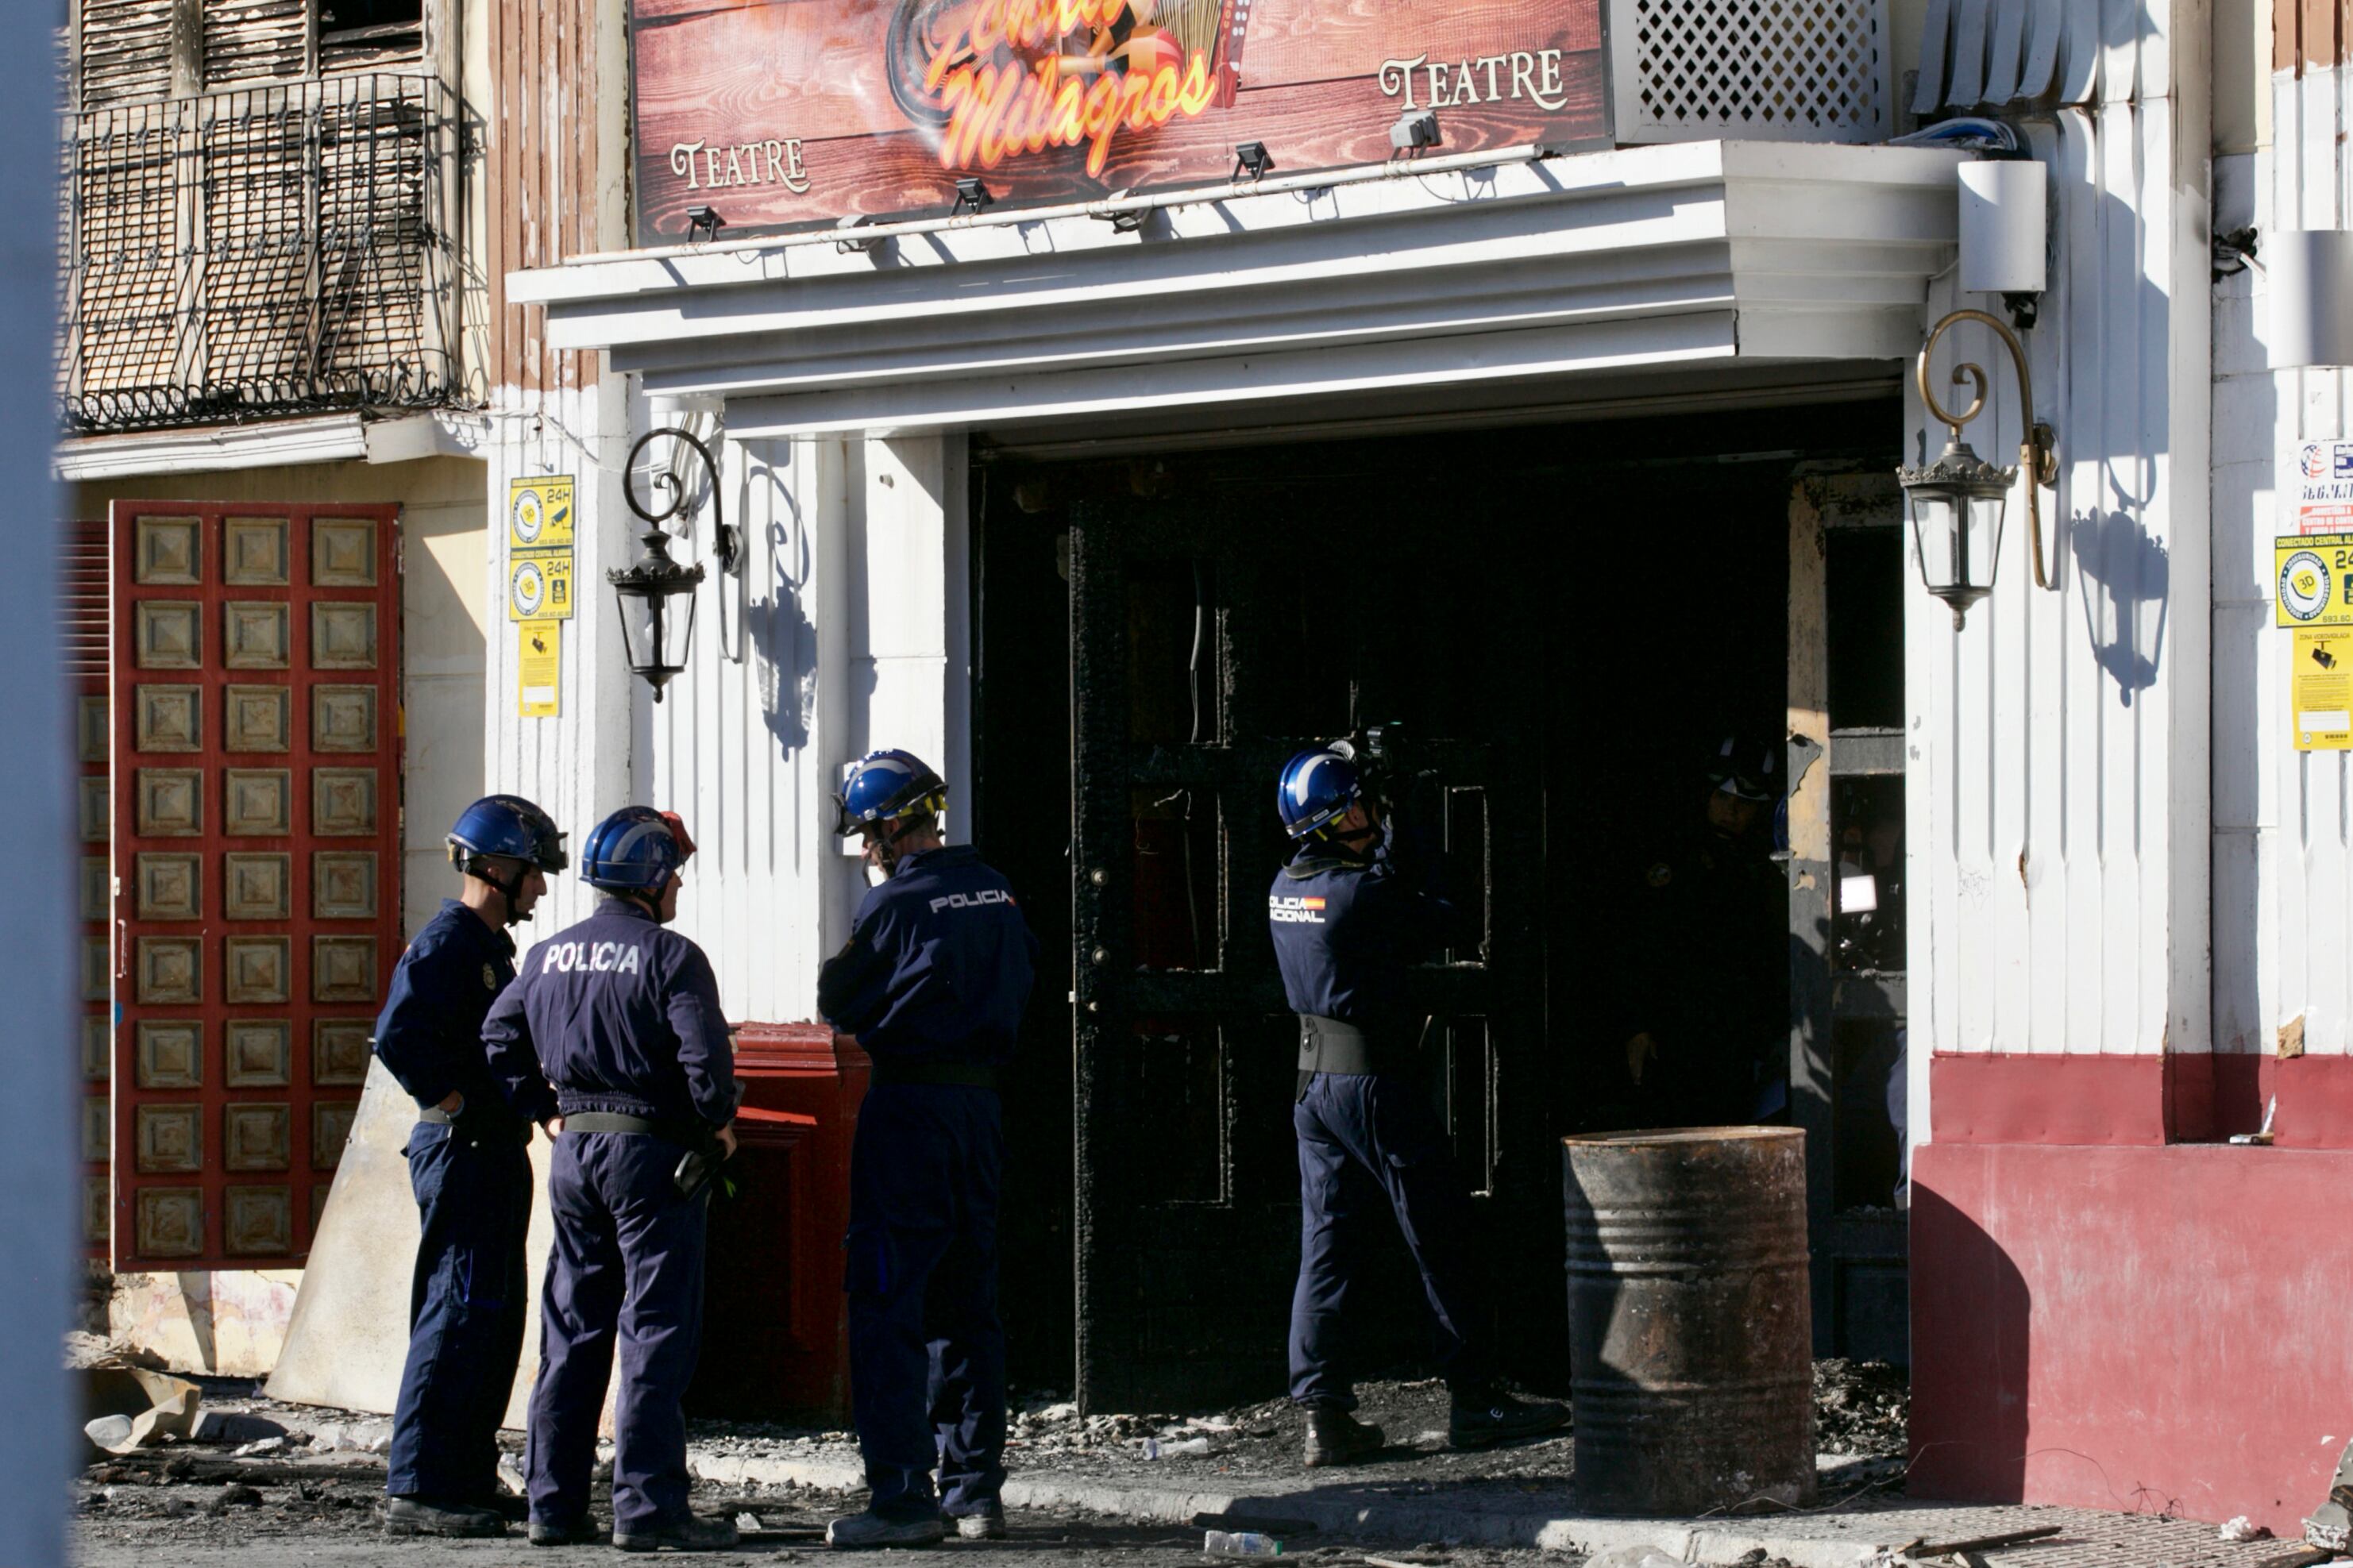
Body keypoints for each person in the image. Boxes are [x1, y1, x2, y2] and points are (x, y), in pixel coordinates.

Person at [1267, 744, 1568, 1468]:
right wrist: (1416, 824)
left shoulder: (1286, 885)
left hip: (1313, 1083)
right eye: (1361, 808)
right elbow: (1447, 916)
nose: (1369, 818)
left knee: (1326, 1246)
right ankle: (1475, 1400)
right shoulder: (1357, 894)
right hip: (1372, 1082)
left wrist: (1388, 829)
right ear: (1331, 820)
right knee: (1441, 1231)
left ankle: (1324, 1415)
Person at [481, 806, 741, 1552]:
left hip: (574, 1153)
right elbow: (706, 1069)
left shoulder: (546, 956)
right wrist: (717, 1121)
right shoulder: (672, 956)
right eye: (675, 872)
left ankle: (553, 1504)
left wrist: (544, 1110)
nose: (681, 883)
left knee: (572, 1325)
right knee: (655, 1328)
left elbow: (499, 1035)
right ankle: (648, 1505)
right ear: (653, 879)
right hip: (652, 1158)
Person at [816, 750, 1037, 1550]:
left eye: (867, 833)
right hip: (978, 1108)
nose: (866, 849)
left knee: (886, 1299)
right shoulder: (1000, 891)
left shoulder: (895, 906)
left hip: (907, 1107)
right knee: (967, 1303)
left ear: (888, 826)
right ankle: (974, 1490)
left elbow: (837, 1000)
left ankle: (902, 1496)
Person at [374, 795, 567, 1539]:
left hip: (495, 1147)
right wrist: (451, 1101)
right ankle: (419, 1485)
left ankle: (463, 1473)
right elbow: (397, 1036)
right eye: (533, 873)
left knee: (489, 1313)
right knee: (454, 1309)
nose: (541, 889)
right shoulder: (447, 941)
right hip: (463, 1148)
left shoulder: (488, 948)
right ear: (497, 867)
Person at [1614, 734, 1788, 1127]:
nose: (1732, 812)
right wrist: (1636, 1026)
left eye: (1745, 804)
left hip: (1736, 1038)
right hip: (1674, 1033)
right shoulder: (1674, 859)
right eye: (1724, 799)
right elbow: (1638, 946)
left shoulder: (1766, 869)